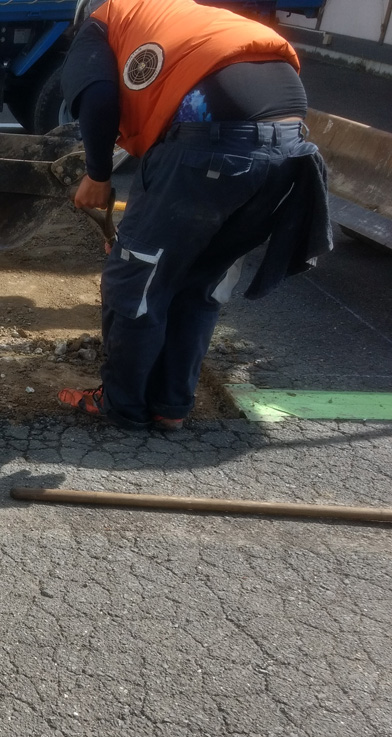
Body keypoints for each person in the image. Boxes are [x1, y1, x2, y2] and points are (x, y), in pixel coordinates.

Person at [57, 0, 332, 430]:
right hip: (289, 150)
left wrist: (97, 175)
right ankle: (171, 407)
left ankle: (123, 406)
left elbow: (98, 96)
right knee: (200, 281)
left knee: (137, 278)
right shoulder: (179, 20)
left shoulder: (102, 23)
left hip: (212, 143)